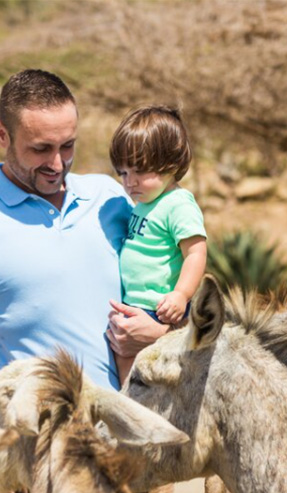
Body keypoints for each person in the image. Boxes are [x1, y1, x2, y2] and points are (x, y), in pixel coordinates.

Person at [0, 70, 170, 493]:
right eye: (40, 149)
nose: (57, 163)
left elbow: (160, 286)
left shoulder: (111, 197)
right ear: (1, 135)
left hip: (136, 448)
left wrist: (159, 334)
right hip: (45, 461)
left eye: (68, 145)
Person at [108, 105, 207, 384]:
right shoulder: (144, 203)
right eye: (123, 172)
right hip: (134, 305)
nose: (130, 182)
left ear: (171, 164)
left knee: (156, 378)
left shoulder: (178, 204)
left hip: (162, 309)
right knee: (126, 366)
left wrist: (181, 295)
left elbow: (196, 252)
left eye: (139, 170)